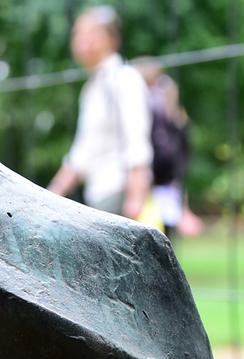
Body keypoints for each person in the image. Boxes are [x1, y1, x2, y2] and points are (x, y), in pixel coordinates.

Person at [46, 5, 152, 219]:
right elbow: (83, 152)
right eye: (78, 33)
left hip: (119, 192)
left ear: (112, 38)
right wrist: (48, 195)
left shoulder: (124, 78)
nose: (83, 41)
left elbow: (137, 141)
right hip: (98, 195)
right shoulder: (91, 88)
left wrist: (136, 198)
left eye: (92, 32)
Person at [133, 57, 204, 239]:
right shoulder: (150, 101)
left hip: (162, 177)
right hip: (156, 175)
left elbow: (177, 150)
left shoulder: (162, 99)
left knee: (158, 231)